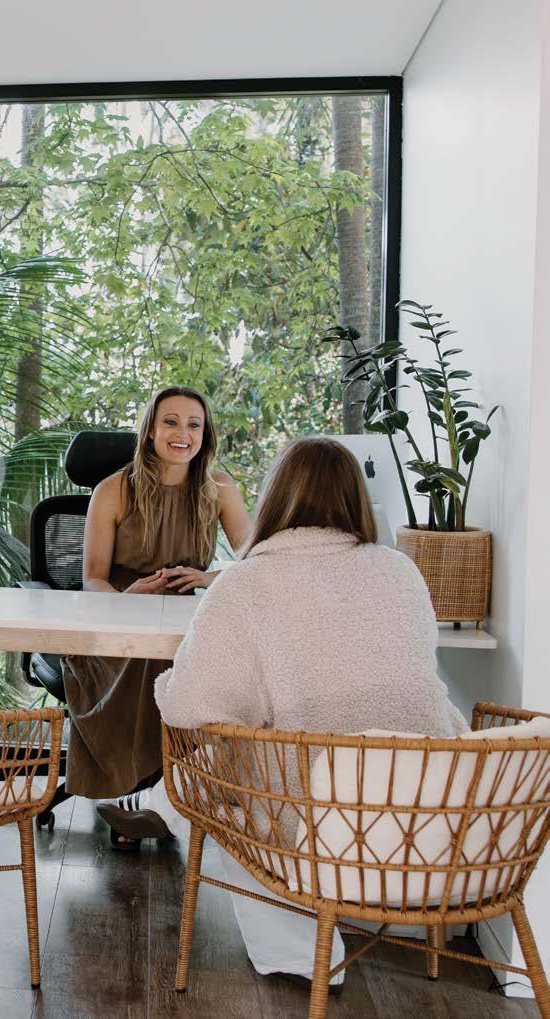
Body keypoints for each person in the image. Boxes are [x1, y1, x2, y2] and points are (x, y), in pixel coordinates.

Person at [98, 436, 469, 987]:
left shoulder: (248, 581)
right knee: (252, 754)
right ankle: (160, 804)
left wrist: (177, 682)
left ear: (275, 497)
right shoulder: (401, 571)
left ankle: (299, 953)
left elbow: (189, 706)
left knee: (210, 773)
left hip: (318, 821)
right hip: (438, 808)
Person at [61, 386, 250, 829]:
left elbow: (256, 562)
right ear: (150, 431)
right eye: (171, 422)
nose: (183, 433)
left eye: (194, 424)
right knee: (161, 661)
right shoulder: (114, 490)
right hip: (118, 619)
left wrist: (207, 578)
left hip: (185, 619)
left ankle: (168, 796)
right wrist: (127, 600)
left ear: (205, 434)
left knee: (206, 660)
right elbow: (93, 580)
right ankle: (148, 795)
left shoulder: (220, 488)